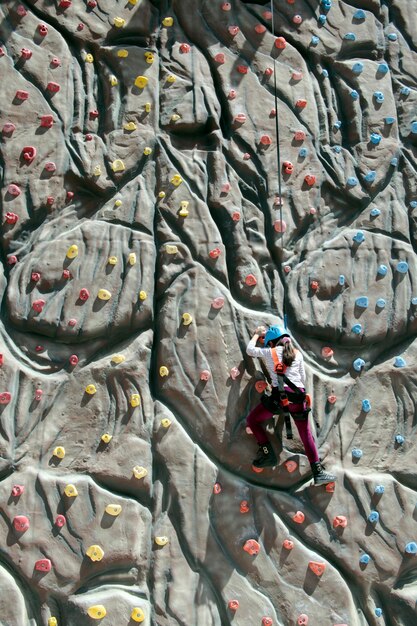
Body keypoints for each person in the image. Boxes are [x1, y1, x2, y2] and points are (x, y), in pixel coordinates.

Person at [246, 325, 336, 486]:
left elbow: (250, 350)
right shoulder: (298, 355)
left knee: (252, 420)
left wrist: (256, 334)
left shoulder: (270, 352)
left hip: (279, 399)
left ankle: (267, 454)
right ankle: (318, 473)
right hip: (298, 397)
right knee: (306, 434)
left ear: (272, 343)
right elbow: (301, 377)